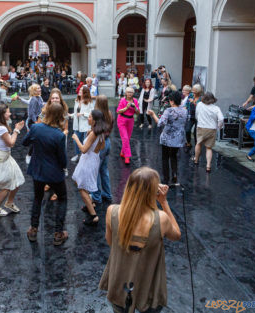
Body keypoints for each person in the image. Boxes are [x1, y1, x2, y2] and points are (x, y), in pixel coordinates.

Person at [99, 167, 181, 313]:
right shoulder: (161, 219)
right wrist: (164, 202)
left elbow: (110, 242)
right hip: (148, 283)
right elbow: (176, 235)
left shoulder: (112, 211)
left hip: (120, 281)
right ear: (152, 192)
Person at [22, 103, 68, 246]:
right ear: (60, 117)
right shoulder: (59, 135)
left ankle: (33, 229)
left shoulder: (36, 128)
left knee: (38, 197)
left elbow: (25, 142)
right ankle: (58, 233)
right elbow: (63, 160)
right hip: (54, 173)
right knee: (62, 198)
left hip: (38, 170)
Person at [0, 105, 25, 216]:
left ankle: (9, 202)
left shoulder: (2, 125)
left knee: (17, 180)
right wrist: (17, 130)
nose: (9, 113)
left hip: (6, 156)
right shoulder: (2, 128)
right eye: (7, 112)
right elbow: (11, 143)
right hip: (3, 158)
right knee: (7, 185)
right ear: (2, 115)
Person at [72, 110, 107, 226]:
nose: (88, 118)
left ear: (95, 120)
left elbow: (83, 149)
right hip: (93, 159)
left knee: (81, 187)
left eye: (90, 116)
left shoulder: (94, 133)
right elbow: (102, 146)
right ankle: (90, 203)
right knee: (80, 182)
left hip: (87, 161)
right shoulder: (99, 132)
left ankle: (93, 216)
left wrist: (76, 138)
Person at [148, 91, 187, 184]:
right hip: (178, 137)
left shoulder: (168, 111)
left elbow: (160, 123)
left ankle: (166, 178)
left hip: (167, 137)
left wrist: (153, 114)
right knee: (174, 156)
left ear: (172, 101)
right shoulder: (185, 110)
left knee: (165, 157)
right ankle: (174, 175)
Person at [193, 92, 224, 172]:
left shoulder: (199, 104)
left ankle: (196, 160)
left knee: (198, 143)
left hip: (201, 127)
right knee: (209, 148)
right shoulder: (216, 108)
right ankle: (208, 166)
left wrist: (199, 120)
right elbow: (221, 119)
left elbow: (196, 114)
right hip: (212, 129)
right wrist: (219, 126)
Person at [91, 95, 113, 205]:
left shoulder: (98, 115)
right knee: (104, 170)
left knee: (96, 171)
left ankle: (96, 196)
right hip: (107, 142)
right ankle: (107, 194)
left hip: (100, 143)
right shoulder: (109, 113)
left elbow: (95, 130)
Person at [21, 84, 43, 164]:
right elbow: (31, 113)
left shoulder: (39, 97)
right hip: (33, 121)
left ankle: (35, 155)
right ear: (34, 91)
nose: (40, 89)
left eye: (40, 87)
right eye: (38, 88)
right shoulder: (33, 99)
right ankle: (29, 155)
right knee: (36, 140)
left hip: (39, 120)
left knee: (39, 139)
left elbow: (41, 105)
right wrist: (35, 122)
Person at [117, 87, 140, 164]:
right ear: (126, 93)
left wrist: (135, 108)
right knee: (125, 138)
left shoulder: (135, 101)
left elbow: (138, 113)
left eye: (131, 92)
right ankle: (127, 156)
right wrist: (126, 107)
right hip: (122, 120)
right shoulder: (122, 100)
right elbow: (118, 111)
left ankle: (122, 152)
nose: (130, 94)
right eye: (128, 92)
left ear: (133, 93)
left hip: (130, 120)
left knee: (127, 138)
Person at [71, 85, 94, 162]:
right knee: (75, 141)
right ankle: (78, 155)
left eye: (81, 90)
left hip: (85, 125)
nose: (79, 91)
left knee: (85, 142)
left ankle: (85, 158)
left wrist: (83, 114)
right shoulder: (76, 100)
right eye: (79, 90)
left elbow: (92, 113)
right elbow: (75, 113)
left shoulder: (89, 102)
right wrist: (70, 115)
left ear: (85, 93)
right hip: (77, 125)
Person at [185, 84, 202, 150]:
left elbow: (201, 107)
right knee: (187, 130)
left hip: (198, 117)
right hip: (191, 115)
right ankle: (188, 144)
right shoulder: (191, 95)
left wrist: (194, 102)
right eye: (192, 90)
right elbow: (186, 104)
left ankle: (196, 148)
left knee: (196, 134)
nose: (192, 91)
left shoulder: (201, 98)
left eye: (194, 90)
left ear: (198, 91)